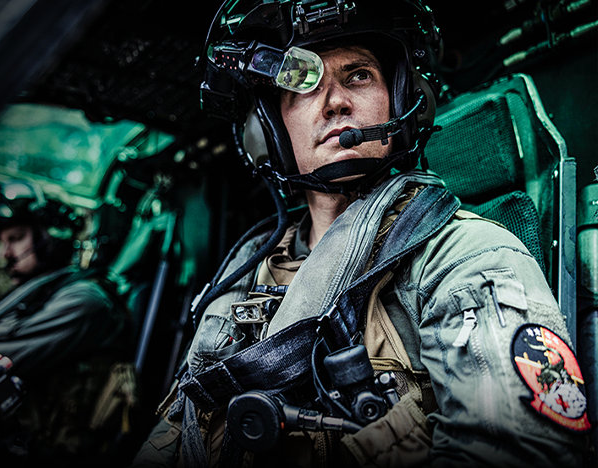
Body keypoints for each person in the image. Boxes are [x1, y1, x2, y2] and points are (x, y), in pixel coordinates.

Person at [131, 1, 591, 467]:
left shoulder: (464, 257)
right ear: (266, 130)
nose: (334, 101)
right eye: (301, 83)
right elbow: (177, 432)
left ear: (403, 99)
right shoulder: (243, 273)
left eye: (358, 76)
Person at [0, 179, 136, 467]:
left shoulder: (83, 301)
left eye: (16, 238)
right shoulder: (44, 294)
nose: (4, 254)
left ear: (51, 236)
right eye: (1, 242)